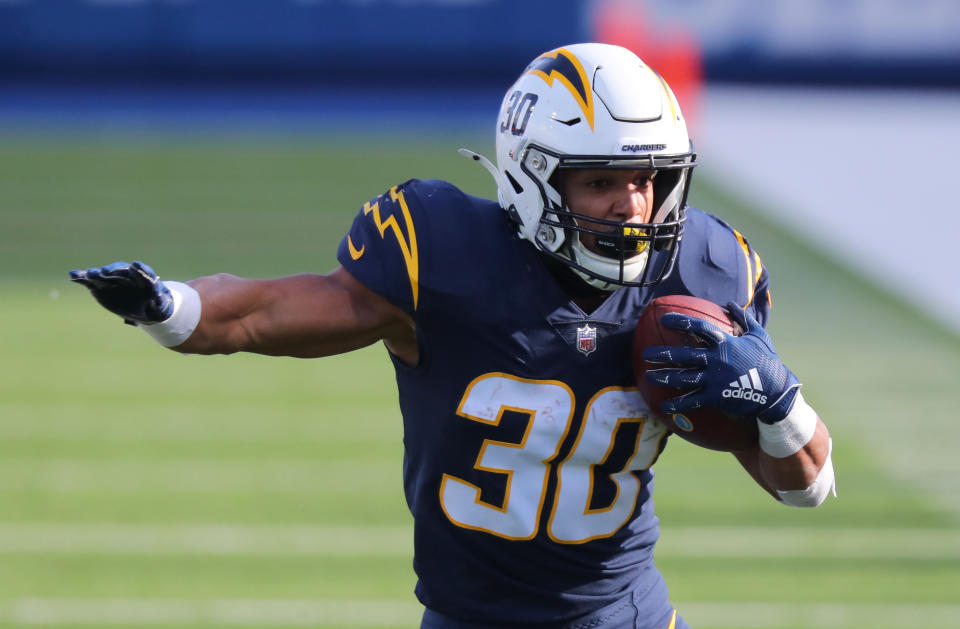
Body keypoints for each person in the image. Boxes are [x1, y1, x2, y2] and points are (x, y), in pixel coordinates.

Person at [69, 43, 835, 629]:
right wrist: (169, 307)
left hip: (624, 614)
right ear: (535, 178)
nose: (632, 204)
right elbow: (267, 311)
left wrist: (780, 403)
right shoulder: (447, 254)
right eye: (601, 181)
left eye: (648, 178)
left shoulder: (703, 274)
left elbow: (806, 487)